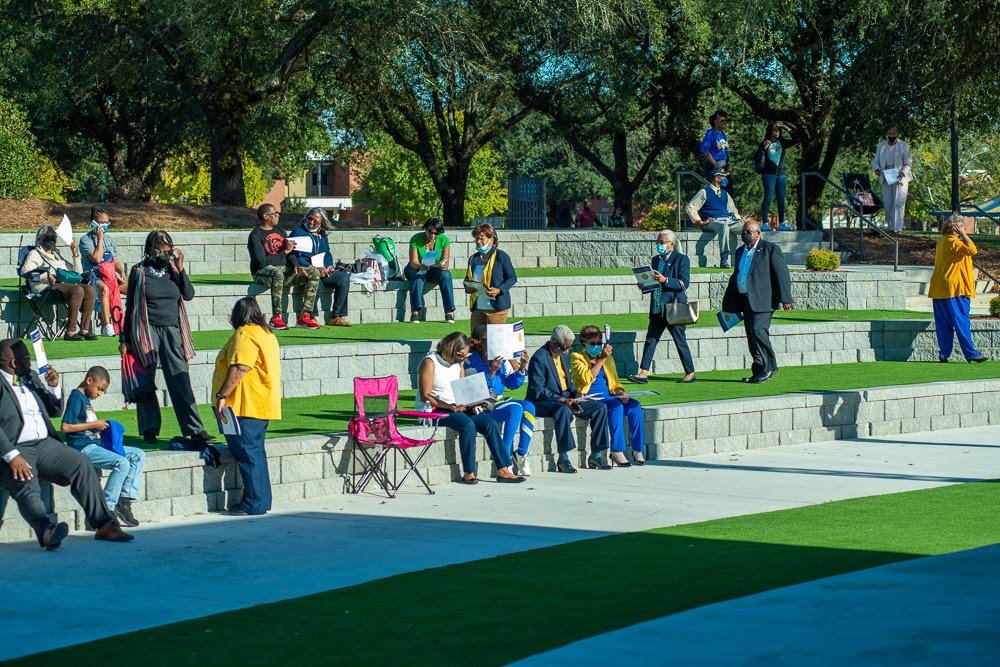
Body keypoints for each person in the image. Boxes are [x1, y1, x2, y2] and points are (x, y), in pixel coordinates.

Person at [0, 339, 133, 548]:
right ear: (14, 363)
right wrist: (11, 455)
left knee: (81, 463)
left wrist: (53, 387)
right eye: (26, 357)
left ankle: (104, 524)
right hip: (15, 448)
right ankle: (46, 530)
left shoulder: (30, 377)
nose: (30, 360)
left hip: (44, 444)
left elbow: (54, 410)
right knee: (26, 482)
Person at [120, 230, 215, 445]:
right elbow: (130, 306)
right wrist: (123, 339)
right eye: (162, 248)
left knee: (180, 377)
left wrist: (181, 270)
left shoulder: (174, 270)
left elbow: (189, 294)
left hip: (172, 329)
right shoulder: (138, 271)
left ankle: (195, 429)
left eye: (168, 248)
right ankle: (149, 429)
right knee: (145, 382)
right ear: (151, 250)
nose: (166, 252)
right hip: (145, 331)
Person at [418, 332, 524, 484]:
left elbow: (462, 392)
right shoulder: (430, 362)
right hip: (435, 409)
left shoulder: (457, 364)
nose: (462, 359)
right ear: (450, 347)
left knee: (488, 423)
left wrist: (474, 402)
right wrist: (450, 406)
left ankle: (503, 469)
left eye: (464, 356)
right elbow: (425, 395)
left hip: (456, 406)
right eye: (460, 355)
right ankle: (469, 471)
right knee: (467, 424)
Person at [212, 297, 283, 515]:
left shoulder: (245, 335)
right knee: (255, 453)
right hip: (261, 403)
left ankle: (253, 503)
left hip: (246, 404)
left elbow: (240, 368)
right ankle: (261, 501)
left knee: (248, 454)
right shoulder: (266, 333)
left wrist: (222, 394)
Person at [60, 365, 144, 527]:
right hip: (83, 447)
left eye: (103, 391)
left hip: (97, 445)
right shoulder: (76, 397)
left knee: (137, 454)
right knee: (122, 462)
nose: (100, 393)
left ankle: (124, 500)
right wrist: (95, 425)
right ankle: (107, 508)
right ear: (89, 380)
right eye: (99, 389)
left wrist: (101, 426)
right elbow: (66, 427)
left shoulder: (86, 400)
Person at [526, 325, 611, 472]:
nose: (566, 351)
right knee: (563, 410)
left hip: (565, 398)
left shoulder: (564, 355)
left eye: (568, 348)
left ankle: (596, 454)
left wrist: (576, 394)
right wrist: (562, 399)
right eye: (564, 348)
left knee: (600, 408)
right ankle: (563, 458)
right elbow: (537, 390)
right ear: (553, 343)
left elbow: (567, 383)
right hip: (542, 401)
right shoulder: (539, 358)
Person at [721, 221, 793, 383]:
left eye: (749, 231)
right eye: (744, 231)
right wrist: (728, 301)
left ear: (758, 233)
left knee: (758, 331)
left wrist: (785, 298)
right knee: (751, 335)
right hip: (746, 300)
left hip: (764, 300)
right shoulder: (740, 251)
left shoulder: (770, 249)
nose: (745, 234)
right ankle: (759, 368)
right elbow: (737, 275)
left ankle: (770, 366)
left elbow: (782, 274)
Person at [627, 229, 696, 385]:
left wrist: (665, 280)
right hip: (657, 306)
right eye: (658, 242)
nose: (659, 245)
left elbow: (684, 283)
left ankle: (690, 372)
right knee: (651, 339)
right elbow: (653, 282)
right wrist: (644, 285)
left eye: (662, 242)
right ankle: (643, 372)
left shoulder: (682, 259)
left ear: (671, 244)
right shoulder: (656, 260)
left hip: (674, 307)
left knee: (680, 341)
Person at [570, 325, 646, 467]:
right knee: (616, 406)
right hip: (590, 398)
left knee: (635, 406)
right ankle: (617, 451)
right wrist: (602, 360)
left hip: (609, 397)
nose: (597, 346)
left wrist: (620, 392)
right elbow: (587, 378)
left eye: (599, 343)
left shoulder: (607, 359)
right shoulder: (577, 358)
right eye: (593, 344)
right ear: (584, 343)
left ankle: (638, 449)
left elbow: (615, 382)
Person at [466, 325, 535, 476]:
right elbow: (475, 392)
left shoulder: (501, 361)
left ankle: (522, 452)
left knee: (529, 406)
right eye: (488, 340)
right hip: (483, 405)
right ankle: (505, 458)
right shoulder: (470, 362)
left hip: (498, 402)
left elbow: (512, 384)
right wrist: (491, 372)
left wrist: (522, 368)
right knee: (515, 408)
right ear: (480, 343)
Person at [21, 225, 98, 341]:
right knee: (77, 290)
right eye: (48, 237)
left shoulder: (57, 256)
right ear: (40, 239)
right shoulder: (35, 254)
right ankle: (70, 331)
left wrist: (75, 254)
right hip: (44, 289)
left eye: (54, 237)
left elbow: (78, 273)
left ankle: (84, 330)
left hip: (61, 287)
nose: (51, 239)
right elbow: (26, 272)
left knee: (89, 289)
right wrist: (46, 275)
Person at [928, 214, 988, 363]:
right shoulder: (954, 242)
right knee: (961, 321)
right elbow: (972, 250)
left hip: (939, 287)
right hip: (955, 288)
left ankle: (944, 353)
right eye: (964, 226)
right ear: (957, 228)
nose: (967, 228)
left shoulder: (942, 241)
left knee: (943, 323)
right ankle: (971, 353)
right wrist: (963, 234)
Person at [288, 207, 351, 327]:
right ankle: (310, 316)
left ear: (322, 221)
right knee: (316, 280)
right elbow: (296, 256)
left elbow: (327, 253)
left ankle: (336, 316)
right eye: (309, 218)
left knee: (343, 278)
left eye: (315, 220)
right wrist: (313, 267)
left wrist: (329, 266)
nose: (311, 222)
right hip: (306, 270)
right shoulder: (298, 232)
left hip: (322, 269)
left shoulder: (322, 234)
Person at [78, 206, 127, 336]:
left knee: (134, 288)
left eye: (107, 222)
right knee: (104, 289)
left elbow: (114, 259)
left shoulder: (109, 239)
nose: (105, 225)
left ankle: (133, 321)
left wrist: (121, 272)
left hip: (110, 274)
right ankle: (107, 326)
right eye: (102, 222)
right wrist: (99, 238)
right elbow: (96, 259)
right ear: (93, 222)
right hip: (94, 275)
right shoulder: (85, 240)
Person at [686, 166, 746, 268]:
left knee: (749, 229)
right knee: (724, 227)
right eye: (723, 176)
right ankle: (724, 260)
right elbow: (690, 207)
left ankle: (755, 255)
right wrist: (699, 221)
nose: (725, 179)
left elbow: (733, 210)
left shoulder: (725, 194)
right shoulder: (704, 192)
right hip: (712, 221)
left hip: (728, 220)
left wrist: (740, 220)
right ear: (716, 177)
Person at [247, 203, 295, 330]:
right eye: (274, 214)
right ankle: (276, 317)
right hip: (261, 273)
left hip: (282, 269)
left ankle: (306, 315)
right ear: (265, 216)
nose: (277, 216)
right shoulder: (255, 235)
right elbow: (261, 262)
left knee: (312, 273)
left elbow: (290, 253)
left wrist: (296, 265)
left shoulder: (280, 231)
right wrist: (284, 252)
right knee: (277, 273)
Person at [464, 223, 517, 329]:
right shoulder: (473, 258)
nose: (478, 242)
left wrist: (499, 290)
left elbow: (512, 278)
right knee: (476, 341)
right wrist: (468, 287)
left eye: (482, 239)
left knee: (495, 341)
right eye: (476, 239)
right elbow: (467, 279)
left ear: (491, 240)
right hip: (478, 307)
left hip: (497, 308)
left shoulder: (501, 256)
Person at [405, 218, 456, 324]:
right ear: (425, 229)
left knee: (446, 275)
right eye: (430, 232)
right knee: (418, 275)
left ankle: (449, 312)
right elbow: (413, 262)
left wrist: (443, 265)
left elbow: (445, 262)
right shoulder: (416, 239)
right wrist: (420, 266)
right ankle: (415, 312)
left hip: (434, 269)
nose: (433, 236)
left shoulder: (444, 240)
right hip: (416, 268)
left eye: (436, 233)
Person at [753, 122, 798, 231]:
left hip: (781, 174)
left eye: (778, 130)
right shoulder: (764, 143)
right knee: (768, 197)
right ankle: (764, 223)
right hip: (768, 174)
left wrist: (786, 127)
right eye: (774, 130)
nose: (777, 132)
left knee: (781, 199)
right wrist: (763, 148)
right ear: (770, 131)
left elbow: (796, 139)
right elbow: (757, 158)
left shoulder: (781, 142)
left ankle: (781, 223)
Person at [871, 124, 913, 233]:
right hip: (886, 176)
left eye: (894, 134)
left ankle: (897, 229)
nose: (892, 135)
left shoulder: (903, 145)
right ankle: (890, 227)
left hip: (900, 177)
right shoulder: (881, 145)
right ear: (886, 134)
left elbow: (908, 163)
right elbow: (875, 161)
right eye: (890, 134)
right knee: (888, 203)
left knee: (898, 203)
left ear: (897, 135)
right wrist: (877, 170)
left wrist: (903, 172)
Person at [700, 109, 733, 195]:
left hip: (723, 165)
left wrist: (728, 163)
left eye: (725, 120)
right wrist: (715, 164)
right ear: (715, 121)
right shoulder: (710, 133)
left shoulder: (723, 134)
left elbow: (724, 150)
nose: (724, 122)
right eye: (722, 120)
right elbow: (705, 150)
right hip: (713, 165)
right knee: (720, 190)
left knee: (728, 189)